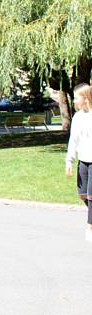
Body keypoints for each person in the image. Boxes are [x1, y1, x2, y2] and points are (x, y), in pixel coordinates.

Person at [64, 83, 92, 242]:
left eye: (76, 98)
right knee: (83, 195)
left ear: (85, 98)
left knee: (91, 194)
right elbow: (73, 140)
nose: (74, 101)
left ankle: (90, 226)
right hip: (83, 161)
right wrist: (69, 161)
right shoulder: (77, 117)